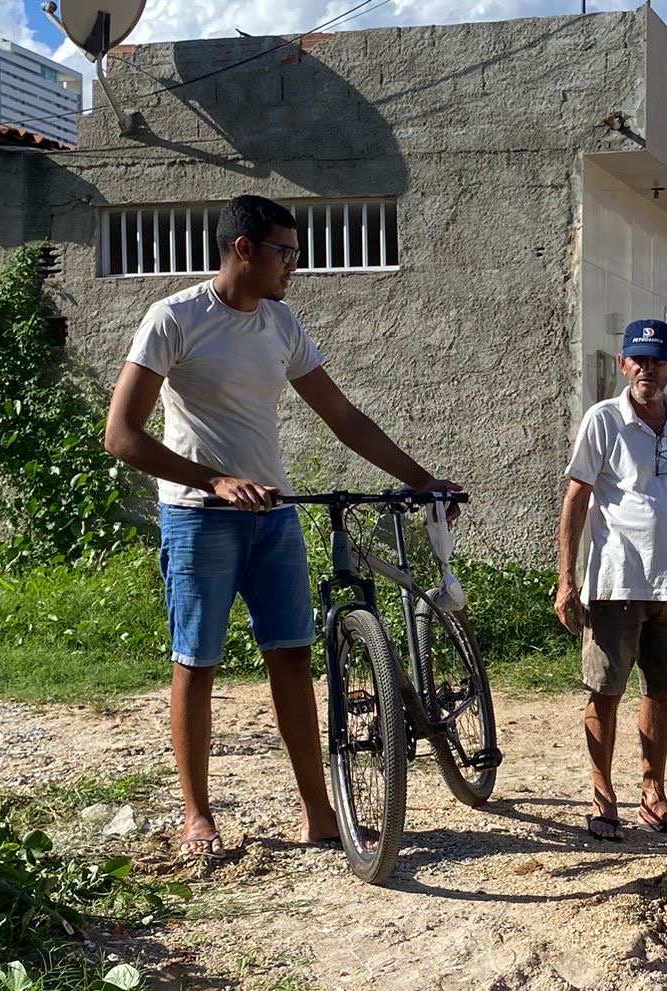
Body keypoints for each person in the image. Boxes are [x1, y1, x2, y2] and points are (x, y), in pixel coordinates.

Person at [104, 194, 460, 861]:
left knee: (293, 658)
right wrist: (212, 479)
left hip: (273, 517)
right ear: (244, 248)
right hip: (199, 519)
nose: (295, 265)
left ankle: (319, 812)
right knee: (198, 663)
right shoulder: (175, 319)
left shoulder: (281, 323)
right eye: (285, 252)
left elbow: (345, 418)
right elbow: (121, 435)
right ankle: (197, 815)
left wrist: (422, 480)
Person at [554, 319, 667, 841]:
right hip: (615, 581)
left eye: (656, 360)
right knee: (605, 692)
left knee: (661, 692)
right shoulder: (603, 421)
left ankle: (654, 795)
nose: (646, 369)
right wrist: (566, 579)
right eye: (637, 360)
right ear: (623, 364)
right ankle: (604, 800)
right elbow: (576, 500)